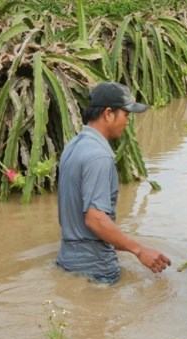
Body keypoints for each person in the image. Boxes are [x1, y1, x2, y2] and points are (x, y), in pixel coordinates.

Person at [56, 82, 171, 284]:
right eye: (126, 114)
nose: (128, 121)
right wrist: (140, 250)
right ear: (108, 114)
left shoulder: (73, 146)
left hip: (67, 261)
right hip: (96, 268)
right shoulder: (99, 156)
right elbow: (95, 219)